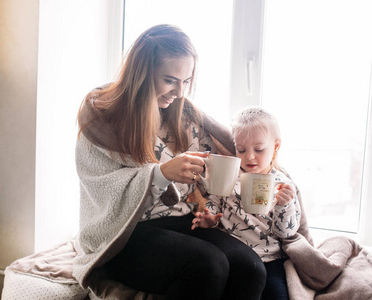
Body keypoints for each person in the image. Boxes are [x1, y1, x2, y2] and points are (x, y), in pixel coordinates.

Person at [73, 24, 266, 299]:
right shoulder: (103, 119)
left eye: (186, 81)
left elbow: (208, 171)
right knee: (208, 265)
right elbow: (100, 188)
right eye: (170, 80)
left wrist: (205, 202)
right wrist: (161, 173)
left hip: (180, 223)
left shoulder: (184, 116)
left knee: (251, 268)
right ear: (142, 72)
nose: (179, 91)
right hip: (125, 234)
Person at [192, 106, 301, 300]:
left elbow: (287, 233)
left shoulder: (283, 185)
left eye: (258, 150)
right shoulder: (229, 177)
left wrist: (284, 206)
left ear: (275, 147)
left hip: (271, 259)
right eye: (241, 149)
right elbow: (214, 203)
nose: (249, 156)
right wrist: (209, 219)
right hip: (235, 255)